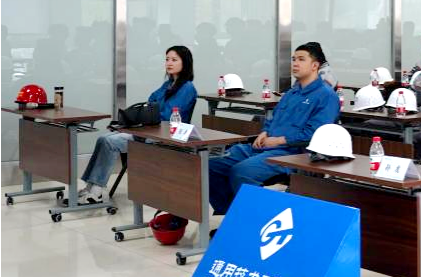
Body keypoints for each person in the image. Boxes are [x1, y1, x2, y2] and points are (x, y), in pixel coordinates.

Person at [208, 42, 341, 214]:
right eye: (293, 59)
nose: (295, 63)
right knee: (211, 164)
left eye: (301, 59)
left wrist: (278, 141)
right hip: (265, 146)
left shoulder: (326, 96)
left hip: (293, 153)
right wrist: (264, 132)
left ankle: (260, 219)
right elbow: (273, 118)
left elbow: (315, 134)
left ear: (315, 65)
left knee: (242, 172)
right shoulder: (292, 93)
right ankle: (233, 214)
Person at [79, 45, 197, 204]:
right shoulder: (167, 84)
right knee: (103, 138)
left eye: (174, 60)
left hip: (165, 137)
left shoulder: (187, 88)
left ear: (185, 63)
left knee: (109, 141)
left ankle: (97, 190)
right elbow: (150, 103)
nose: (169, 63)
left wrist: (146, 118)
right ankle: (90, 186)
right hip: (151, 131)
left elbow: (167, 116)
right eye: (167, 59)